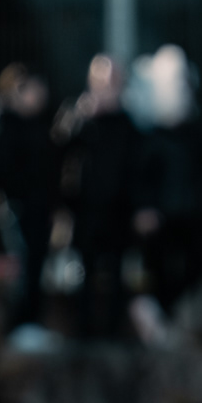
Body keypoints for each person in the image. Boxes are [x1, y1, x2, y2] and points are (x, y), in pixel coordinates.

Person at [53, 55, 145, 343]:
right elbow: (58, 152)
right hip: (86, 210)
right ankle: (83, 332)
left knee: (117, 273)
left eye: (114, 83)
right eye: (103, 82)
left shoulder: (128, 123)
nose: (108, 89)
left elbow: (137, 168)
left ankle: (113, 332)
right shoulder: (78, 117)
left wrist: (139, 207)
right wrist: (81, 118)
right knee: (84, 272)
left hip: (118, 211)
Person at [131, 47, 202, 344]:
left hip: (191, 213)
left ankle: (160, 311)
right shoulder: (149, 137)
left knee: (198, 264)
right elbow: (142, 177)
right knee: (160, 269)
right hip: (160, 215)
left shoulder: (194, 134)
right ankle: (154, 312)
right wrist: (145, 207)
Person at [0, 65, 56, 345]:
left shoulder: (39, 122)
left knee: (35, 263)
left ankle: (31, 323)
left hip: (38, 206)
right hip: (17, 207)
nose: (41, 94)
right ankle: (20, 325)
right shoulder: (4, 123)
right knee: (22, 263)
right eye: (35, 88)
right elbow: (1, 171)